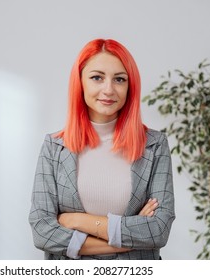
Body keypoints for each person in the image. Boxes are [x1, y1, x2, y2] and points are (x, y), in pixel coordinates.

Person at [29, 38, 175, 260]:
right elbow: (42, 232)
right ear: (81, 82)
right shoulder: (54, 147)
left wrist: (76, 221)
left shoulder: (154, 145)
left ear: (130, 86)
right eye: (97, 77)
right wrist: (128, 239)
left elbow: (158, 230)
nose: (108, 89)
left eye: (119, 79)